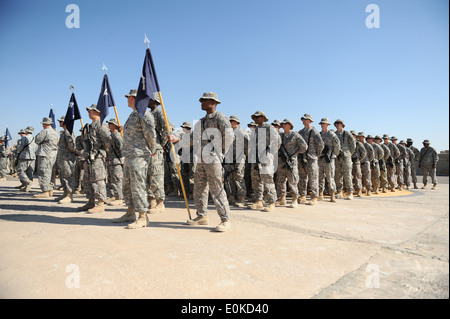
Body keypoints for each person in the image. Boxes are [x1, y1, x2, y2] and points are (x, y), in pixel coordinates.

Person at [170, 92, 233, 231]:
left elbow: (229, 136)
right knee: (199, 188)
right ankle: (201, 216)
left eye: (205, 101)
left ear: (213, 102)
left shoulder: (220, 118)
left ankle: (225, 219)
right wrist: (177, 140)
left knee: (216, 188)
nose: (202, 103)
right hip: (201, 159)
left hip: (213, 158)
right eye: (202, 101)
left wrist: (219, 152)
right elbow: (193, 137)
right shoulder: (202, 121)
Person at [113, 89, 156, 229]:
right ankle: (130, 212)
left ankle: (143, 217)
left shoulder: (144, 113)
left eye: (129, 97)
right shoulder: (133, 114)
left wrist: (152, 150)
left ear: (134, 98)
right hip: (129, 155)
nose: (127, 99)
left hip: (139, 155)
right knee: (128, 186)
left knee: (138, 186)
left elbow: (150, 134)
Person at [77, 104, 111, 213]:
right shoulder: (90, 126)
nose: (89, 112)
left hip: (97, 157)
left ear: (97, 112)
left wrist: (104, 154)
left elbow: (107, 142)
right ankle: (91, 202)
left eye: (91, 110)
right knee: (88, 180)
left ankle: (100, 203)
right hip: (88, 158)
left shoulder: (101, 125)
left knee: (98, 179)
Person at [247, 110, 280, 211]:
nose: (255, 119)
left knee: (267, 179)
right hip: (255, 157)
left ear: (262, 118)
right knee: (256, 180)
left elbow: (277, 140)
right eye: (254, 118)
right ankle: (259, 201)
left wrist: (270, 152)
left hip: (265, 157)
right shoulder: (256, 130)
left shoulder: (269, 128)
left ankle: (272, 202)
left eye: (257, 117)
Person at [275, 118, 307, 207]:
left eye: (286, 124)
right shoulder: (280, 135)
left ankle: (294, 199)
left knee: (292, 180)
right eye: (283, 124)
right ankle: (282, 198)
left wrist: (295, 153)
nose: (284, 125)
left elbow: (304, 146)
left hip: (291, 161)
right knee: (280, 180)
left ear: (290, 125)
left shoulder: (295, 135)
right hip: (281, 161)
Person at [226, 115, 249, 208]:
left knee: (239, 177)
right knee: (229, 177)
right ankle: (231, 196)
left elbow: (248, 146)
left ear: (236, 122)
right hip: (229, 158)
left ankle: (241, 198)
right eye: (229, 121)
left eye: (231, 121)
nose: (230, 123)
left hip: (239, 158)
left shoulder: (242, 132)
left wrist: (244, 155)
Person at [33, 117, 58, 198]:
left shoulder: (45, 131)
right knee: (49, 173)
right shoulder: (54, 132)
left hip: (45, 155)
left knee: (43, 173)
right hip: (52, 155)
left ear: (44, 124)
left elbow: (37, 140)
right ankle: (50, 190)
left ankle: (45, 191)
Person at [55, 116, 78, 204]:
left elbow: (72, 145)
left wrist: (75, 152)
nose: (60, 122)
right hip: (63, 158)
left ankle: (69, 195)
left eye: (61, 121)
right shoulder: (64, 132)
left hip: (67, 158)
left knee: (68, 177)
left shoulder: (68, 131)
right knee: (63, 177)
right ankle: (65, 193)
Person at [318, 118, 340, 202]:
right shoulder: (319, 135)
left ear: (327, 124)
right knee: (320, 177)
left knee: (330, 177)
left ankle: (332, 194)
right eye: (321, 123)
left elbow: (337, 146)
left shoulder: (332, 134)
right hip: (320, 159)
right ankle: (320, 193)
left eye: (324, 123)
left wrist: (333, 155)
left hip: (329, 159)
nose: (322, 125)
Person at [334, 119, 356, 200]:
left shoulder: (347, 133)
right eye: (336, 123)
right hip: (337, 157)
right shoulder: (334, 134)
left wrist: (349, 153)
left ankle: (350, 192)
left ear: (342, 124)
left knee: (347, 175)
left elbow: (353, 145)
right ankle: (339, 191)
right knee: (338, 175)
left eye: (339, 123)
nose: (338, 124)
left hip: (346, 157)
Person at [105, 118, 124, 206]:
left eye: (111, 123)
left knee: (117, 180)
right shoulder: (111, 136)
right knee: (111, 180)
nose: (109, 125)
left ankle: (119, 198)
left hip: (116, 161)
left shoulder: (117, 136)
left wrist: (119, 158)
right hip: (111, 161)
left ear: (115, 125)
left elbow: (121, 148)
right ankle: (113, 195)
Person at [15, 126, 37, 192]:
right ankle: (27, 186)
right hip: (33, 157)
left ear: (26, 131)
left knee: (20, 171)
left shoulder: (25, 138)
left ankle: (27, 182)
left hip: (24, 156)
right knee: (30, 172)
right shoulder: (34, 138)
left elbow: (20, 147)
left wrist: (18, 151)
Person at [350, 130, 366, 197]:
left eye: (353, 135)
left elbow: (363, 153)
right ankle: (353, 190)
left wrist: (359, 159)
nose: (351, 136)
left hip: (356, 162)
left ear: (355, 136)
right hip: (350, 161)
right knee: (350, 176)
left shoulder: (358, 144)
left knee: (357, 176)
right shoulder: (349, 143)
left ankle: (359, 190)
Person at [73, 128, 85, 194]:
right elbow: (75, 147)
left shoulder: (87, 139)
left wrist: (79, 152)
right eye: (81, 131)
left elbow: (86, 149)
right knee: (76, 174)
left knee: (82, 175)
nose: (81, 132)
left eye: (83, 131)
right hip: (77, 158)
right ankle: (77, 188)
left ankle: (83, 188)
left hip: (83, 158)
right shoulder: (78, 138)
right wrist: (75, 151)